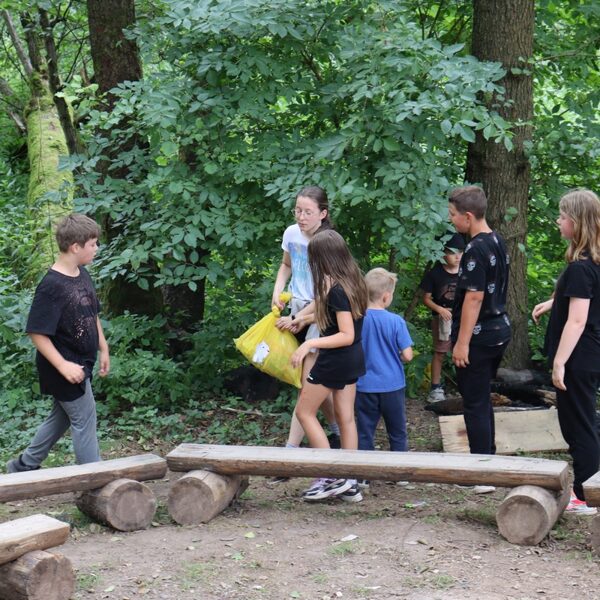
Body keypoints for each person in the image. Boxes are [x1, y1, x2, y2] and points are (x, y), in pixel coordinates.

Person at [6, 214, 109, 473]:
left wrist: (103, 346)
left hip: (81, 363)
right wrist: (63, 366)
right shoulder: (52, 286)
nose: (96, 249)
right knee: (84, 417)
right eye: (92, 244)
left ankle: (23, 465)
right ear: (75, 247)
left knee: (61, 417)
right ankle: (92, 477)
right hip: (61, 367)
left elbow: (92, 312)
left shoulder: (82, 274)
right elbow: (37, 333)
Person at [532, 189, 600, 515]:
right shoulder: (591, 262)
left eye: (561, 217)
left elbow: (577, 320)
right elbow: (582, 297)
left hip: (579, 358)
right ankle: (588, 487)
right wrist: (552, 302)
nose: (557, 222)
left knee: (578, 426)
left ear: (576, 221)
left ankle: (586, 496)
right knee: (586, 421)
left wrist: (559, 362)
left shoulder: (581, 268)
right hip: (591, 354)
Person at [268, 186, 341, 487]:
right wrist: (277, 292)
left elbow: (328, 293)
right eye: (297, 210)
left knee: (306, 386)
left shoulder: (327, 243)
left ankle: (290, 455)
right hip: (294, 309)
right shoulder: (291, 234)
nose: (301, 217)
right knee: (313, 386)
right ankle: (337, 432)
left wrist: (299, 319)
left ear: (323, 213)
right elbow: (286, 266)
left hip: (318, 315)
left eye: (308, 212)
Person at [291, 229, 368, 502]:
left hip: (335, 360)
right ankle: (350, 481)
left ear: (322, 258)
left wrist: (309, 344)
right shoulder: (353, 281)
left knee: (304, 412)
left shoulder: (336, 290)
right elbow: (338, 318)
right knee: (346, 418)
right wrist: (304, 320)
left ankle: (329, 475)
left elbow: (345, 334)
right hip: (353, 358)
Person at [448, 186, 511, 455]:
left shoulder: (474, 249)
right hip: (499, 330)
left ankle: (481, 465)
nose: (451, 218)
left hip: (479, 337)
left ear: (468, 216)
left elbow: (474, 298)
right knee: (481, 397)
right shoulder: (496, 239)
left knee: (474, 403)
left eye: (453, 214)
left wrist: (462, 343)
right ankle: (489, 457)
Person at [354, 268, 413, 489]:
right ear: (386, 296)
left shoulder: (358, 320)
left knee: (365, 431)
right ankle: (400, 472)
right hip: (392, 385)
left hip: (364, 385)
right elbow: (407, 355)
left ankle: (363, 476)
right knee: (397, 430)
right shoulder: (396, 321)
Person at [420, 233, 465, 402]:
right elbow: (426, 298)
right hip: (442, 320)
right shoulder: (435, 273)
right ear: (443, 253)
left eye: (460, 252)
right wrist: (440, 309)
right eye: (453, 252)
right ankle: (435, 388)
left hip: (463, 318)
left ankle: (465, 386)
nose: (457, 256)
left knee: (463, 350)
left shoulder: (466, 272)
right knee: (440, 352)